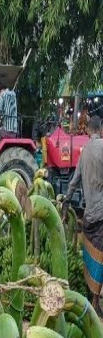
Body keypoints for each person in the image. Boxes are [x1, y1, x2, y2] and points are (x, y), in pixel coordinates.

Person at [67, 115, 103, 307]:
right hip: (102, 213)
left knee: (91, 253)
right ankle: (95, 300)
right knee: (100, 254)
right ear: (101, 130)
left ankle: (92, 294)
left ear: (89, 131)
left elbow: (73, 182)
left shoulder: (85, 151)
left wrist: (65, 201)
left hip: (90, 214)